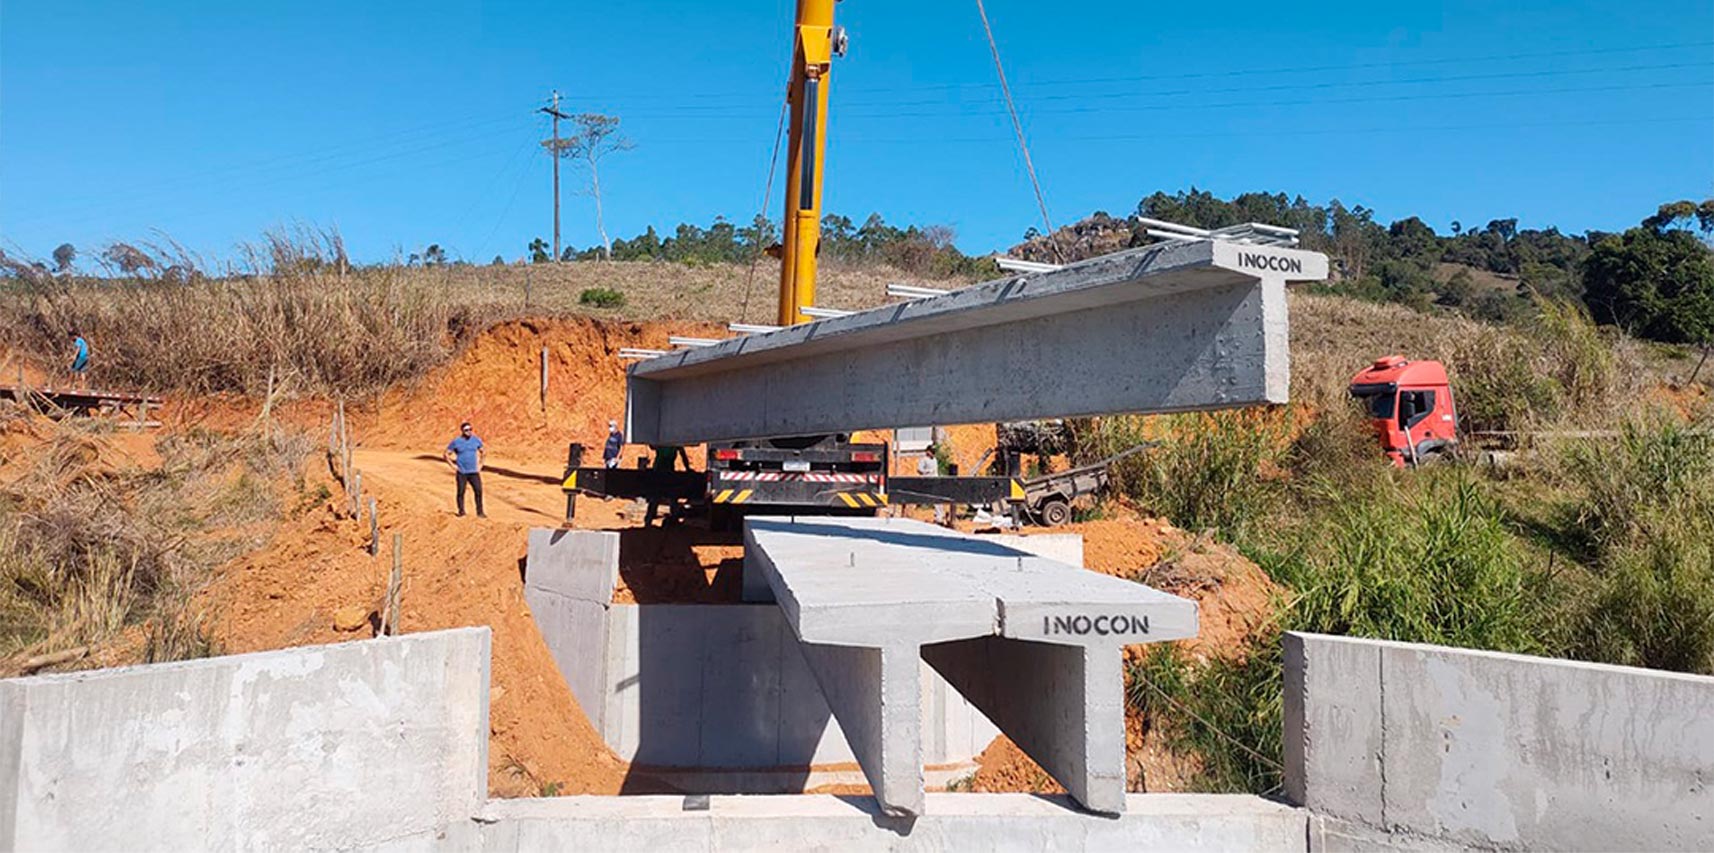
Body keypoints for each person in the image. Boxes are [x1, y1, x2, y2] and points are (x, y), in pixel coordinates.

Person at [643, 445, 694, 526]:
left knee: (661, 497)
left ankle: (649, 519)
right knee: (665, 496)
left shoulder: (665, 442)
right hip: (662, 471)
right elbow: (682, 454)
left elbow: (652, 446)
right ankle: (651, 519)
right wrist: (687, 468)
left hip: (663, 471)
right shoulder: (673, 442)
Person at [443, 421, 486, 518]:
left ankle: (480, 512)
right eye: (466, 430)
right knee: (461, 492)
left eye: (470, 429)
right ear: (462, 431)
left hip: (474, 471)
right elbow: (446, 454)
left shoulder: (476, 440)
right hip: (462, 472)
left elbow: (483, 452)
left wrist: (481, 465)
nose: (469, 432)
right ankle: (461, 511)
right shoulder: (456, 442)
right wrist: (452, 466)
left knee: (478, 491)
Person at [918, 444, 948, 526]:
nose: (932, 453)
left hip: (935, 480)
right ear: (927, 451)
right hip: (928, 481)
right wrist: (927, 471)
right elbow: (919, 470)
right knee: (934, 499)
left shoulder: (934, 460)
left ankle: (940, 516)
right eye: (931, 451)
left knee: (938, 499)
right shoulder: (924, 460)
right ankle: (938, 516)